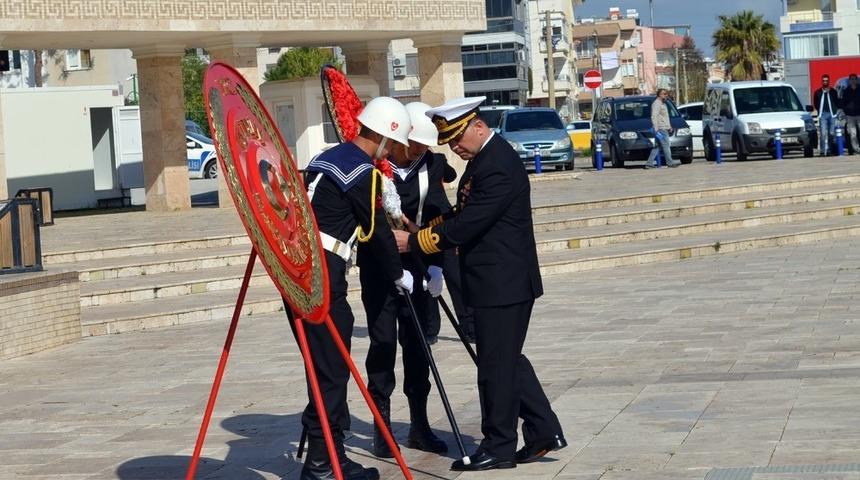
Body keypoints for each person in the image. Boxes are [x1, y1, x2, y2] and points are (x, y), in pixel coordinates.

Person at [394, 97, 566, 472]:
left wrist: (417, 243)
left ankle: (499, 445)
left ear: (477, 126)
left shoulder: (498, 165)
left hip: (503, 281)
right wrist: (423, 229)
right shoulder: (484, 161)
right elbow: (461, 213)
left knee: (494, 367)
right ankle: (542, 430)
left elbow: (470, 224)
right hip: (495, 280)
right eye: (450, 143)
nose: (454, 148)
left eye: (457, 139)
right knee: (504, 359)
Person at [287, 96, 414, 480]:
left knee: (325, 367)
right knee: (331, 371)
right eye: (392, 144)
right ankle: (322, 467)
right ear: (385, 137)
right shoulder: (363, 172)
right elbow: (375, 233)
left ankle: (331, 455)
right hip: (325, 276)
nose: (391, 151)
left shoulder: (325, 158)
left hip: (299, 269)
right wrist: (398, 274)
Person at [359, 101, 449, 459]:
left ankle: (419, 426)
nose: (419, 152)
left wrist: (437, 265)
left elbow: (440, 216)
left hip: (419, 265)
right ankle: (382, 428)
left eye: (425, 148)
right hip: (380, 270)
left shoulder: (431, 166)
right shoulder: (374, 168)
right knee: (382, 345)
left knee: (418, 346)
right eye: (415, 145)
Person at [647, 89, 680, 168]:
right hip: (660, 128)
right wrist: (655, 127)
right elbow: (654, 116)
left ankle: (649, 163)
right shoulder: (656, 104)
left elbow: (665, 117)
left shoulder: (663, 103)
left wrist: (669, 126)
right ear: (659, 95)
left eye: (667, 94)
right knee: (666, 145)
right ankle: (670, 162)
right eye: (664, 94)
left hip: (664, 127)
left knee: (657, 146)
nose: (666, 95)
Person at [814, 74, 840, 156]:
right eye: (824, 80)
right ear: (822, 81)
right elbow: (815, 103)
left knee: (831, 133)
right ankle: (822, 151)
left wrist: (835, 111)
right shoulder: (818, 92)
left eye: (826, 80)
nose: (825, 82)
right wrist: (819, 111)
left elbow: (837, 102)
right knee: (823, 133)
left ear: (829, 81)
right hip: (823, 114)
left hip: (832, 114)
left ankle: (829, 150)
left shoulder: (833, 92)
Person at [841, 73, 860, 154]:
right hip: (850, 116)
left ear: (857, 80)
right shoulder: (846, 91)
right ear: (849, 81)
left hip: (859, 114)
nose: (853, 80)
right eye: (851, 79)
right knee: (852, 134)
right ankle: (856, 149)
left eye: (854, 79)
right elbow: (843, 102)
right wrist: (845, 111)